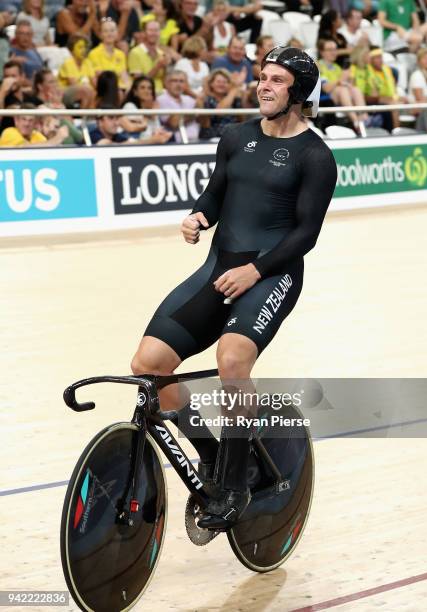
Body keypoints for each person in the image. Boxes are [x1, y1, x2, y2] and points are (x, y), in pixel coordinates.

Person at [131, 46, 337, 529]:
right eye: (262, 77)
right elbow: (217, 190)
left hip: (273, 275)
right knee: (148, 366)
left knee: (232, 360)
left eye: (277, 80)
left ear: (299, 92)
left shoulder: (315, 156)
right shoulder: (236, 136)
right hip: (218, 267)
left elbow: (305, 235)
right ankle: (215, 455)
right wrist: (200, 214)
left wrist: (257, 271)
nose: (263, 86)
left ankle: (235, 484)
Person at [318, 38, 368, 131]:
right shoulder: (319, 66)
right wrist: (340, 80)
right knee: (342, 90)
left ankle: (364, 118)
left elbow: (345, 83)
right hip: (326, 98)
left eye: (335, 49)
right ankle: (356, 122)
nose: (333, 52)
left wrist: (348, 81)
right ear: (322, 52)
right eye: (330, 50)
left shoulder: (337, 67)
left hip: (342, 96)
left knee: (355, 89)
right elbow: (326, 89)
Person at [121, 75, 172, 143]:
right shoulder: (129, 106)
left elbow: (156, 130)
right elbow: (139, 132)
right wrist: (149, 111)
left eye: (149, 88)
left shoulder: (153, 109)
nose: (146, 91)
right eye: (142, 88)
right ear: (135, 92)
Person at [198, 68, 245, 139]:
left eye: (225, 82)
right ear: (211, 84)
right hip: (212, 138)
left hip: (233, 137)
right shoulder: (207, 99)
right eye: (218, 81)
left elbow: (241, 120)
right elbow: (220, 111)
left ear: (229, 84)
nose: (221, 84)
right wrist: (235, 88)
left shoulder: (234, 99)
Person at [128, 20, 173, 94]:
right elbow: (140, 83)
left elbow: (165, 82)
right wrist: (157, 67)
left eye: (156, 30)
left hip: (161, 92)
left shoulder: (161, 54)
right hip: (145, 93)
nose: (154, 33)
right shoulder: (135, 52)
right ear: (144, 33)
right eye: (151, 30)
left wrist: (166, 68)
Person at [87, 17, 131, 90]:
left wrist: (129, 88)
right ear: (101, 34)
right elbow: (100, 75)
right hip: (104, 89)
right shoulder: (94, 53)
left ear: (117, 33)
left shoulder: (121, 54)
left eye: (112, 30)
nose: (109, 34)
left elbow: (124, 75)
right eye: (106, 31)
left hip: (121, 87)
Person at [157, 69, 199, 142]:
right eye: (174, 81)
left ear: (186, 84)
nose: (178, 84)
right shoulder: (161, 99)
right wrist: (194, 112)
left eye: (181, 81)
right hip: (174, 143)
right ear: (166, 83)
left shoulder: (189, 99)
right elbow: (174, 123)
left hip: (197, 140)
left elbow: (203, 119)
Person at [0, 102, 69, 146]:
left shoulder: (37, 135)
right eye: (23, 119)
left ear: (35, 123)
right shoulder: (9, 132)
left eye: (31, 120)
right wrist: (57, 138)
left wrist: (52, 135)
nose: (27, 124)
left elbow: (46, 149)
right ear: (16, 121)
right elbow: (24, 149)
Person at [409, 47, 427, 132]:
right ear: (419, 61)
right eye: (425, 58)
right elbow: (420, 99)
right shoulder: (417, 75)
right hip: (417, 111)